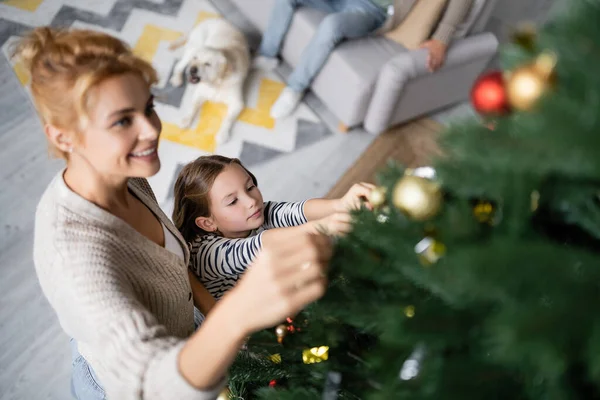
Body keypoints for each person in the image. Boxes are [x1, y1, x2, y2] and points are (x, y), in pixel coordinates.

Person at [20, 27, 331, 400]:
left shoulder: (127, 177)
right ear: (63, 137)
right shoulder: (73, 257)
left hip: (181, 340)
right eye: (122, 120)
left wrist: (217, 315)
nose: (151, 129)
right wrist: (240, 313)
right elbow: (149, 386)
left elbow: (174, 264)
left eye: (149, 107)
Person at [172, 155, 374, 300]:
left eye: (250, 187)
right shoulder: (206, 253)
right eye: (233, 201)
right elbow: (259, 245)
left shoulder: (254, 214)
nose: (250, 201)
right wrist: (323, 226)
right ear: (208, 222)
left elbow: (297, 211)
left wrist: (339, 205)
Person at [254, 0, 474, 118]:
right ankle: (267, 54)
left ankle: (295, 87)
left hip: (370, 10)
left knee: (332, 25)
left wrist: (442, 38)